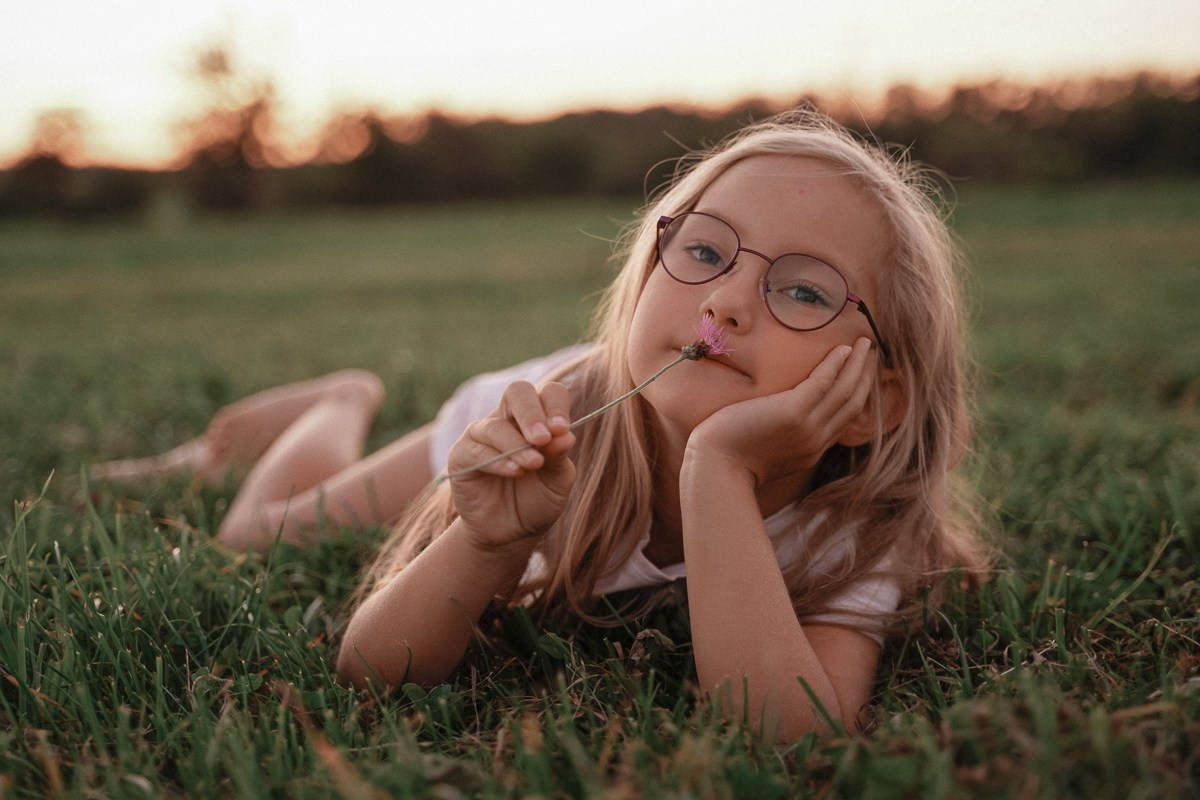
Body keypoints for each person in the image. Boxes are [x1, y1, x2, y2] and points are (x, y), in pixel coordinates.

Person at [92, 109, 989, 741]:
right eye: (705, 250)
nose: (723, 302)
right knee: (262, 533)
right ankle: (342, 400)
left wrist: (718, 468)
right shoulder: (545, 432)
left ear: (878, 400)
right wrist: (485, 545)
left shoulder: (858, 529)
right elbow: (374, 670)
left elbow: (789, 737)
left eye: (802, 289)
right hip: (522, 407)